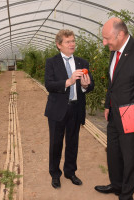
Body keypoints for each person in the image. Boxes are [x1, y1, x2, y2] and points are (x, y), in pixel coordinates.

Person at [94, 18, 134, 200]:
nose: (104, 42)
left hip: (133, 118)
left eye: (107, 38)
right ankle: (116, 186)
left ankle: (126, 195)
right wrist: (108, 104)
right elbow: (112, 82)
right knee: (114, 154)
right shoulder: (114, 51)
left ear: (120, 34)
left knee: (130, 160)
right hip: (115, 115)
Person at [44, 29, 94, 189]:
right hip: (57, 109)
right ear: (59, 45)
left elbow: (90, 84)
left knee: (73, 142)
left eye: (73, 41)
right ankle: (55, 174)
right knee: (56, 143)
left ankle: (70, 172)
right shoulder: (51, 62)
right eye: (68, 42)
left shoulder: (82, 62)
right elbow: (49, 84)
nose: (72, 44)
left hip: (75, 108)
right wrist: (69, 81)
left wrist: (86, 85)